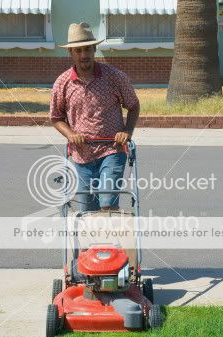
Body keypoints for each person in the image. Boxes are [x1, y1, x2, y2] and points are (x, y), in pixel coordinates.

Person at [50, 22, 140, 212]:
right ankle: (91, 242)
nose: (84, 55)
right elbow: (56, 117)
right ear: (71, 53)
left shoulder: (114, 77)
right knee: (86, 211)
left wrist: (127, 132)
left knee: (107, 202)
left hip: (112, 150)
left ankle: (110, 240)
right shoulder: (62, 83)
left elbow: (133, 105)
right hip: (81, 155)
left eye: (88, 50)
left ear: (94, 49)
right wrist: (71, 134)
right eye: (79, 51)